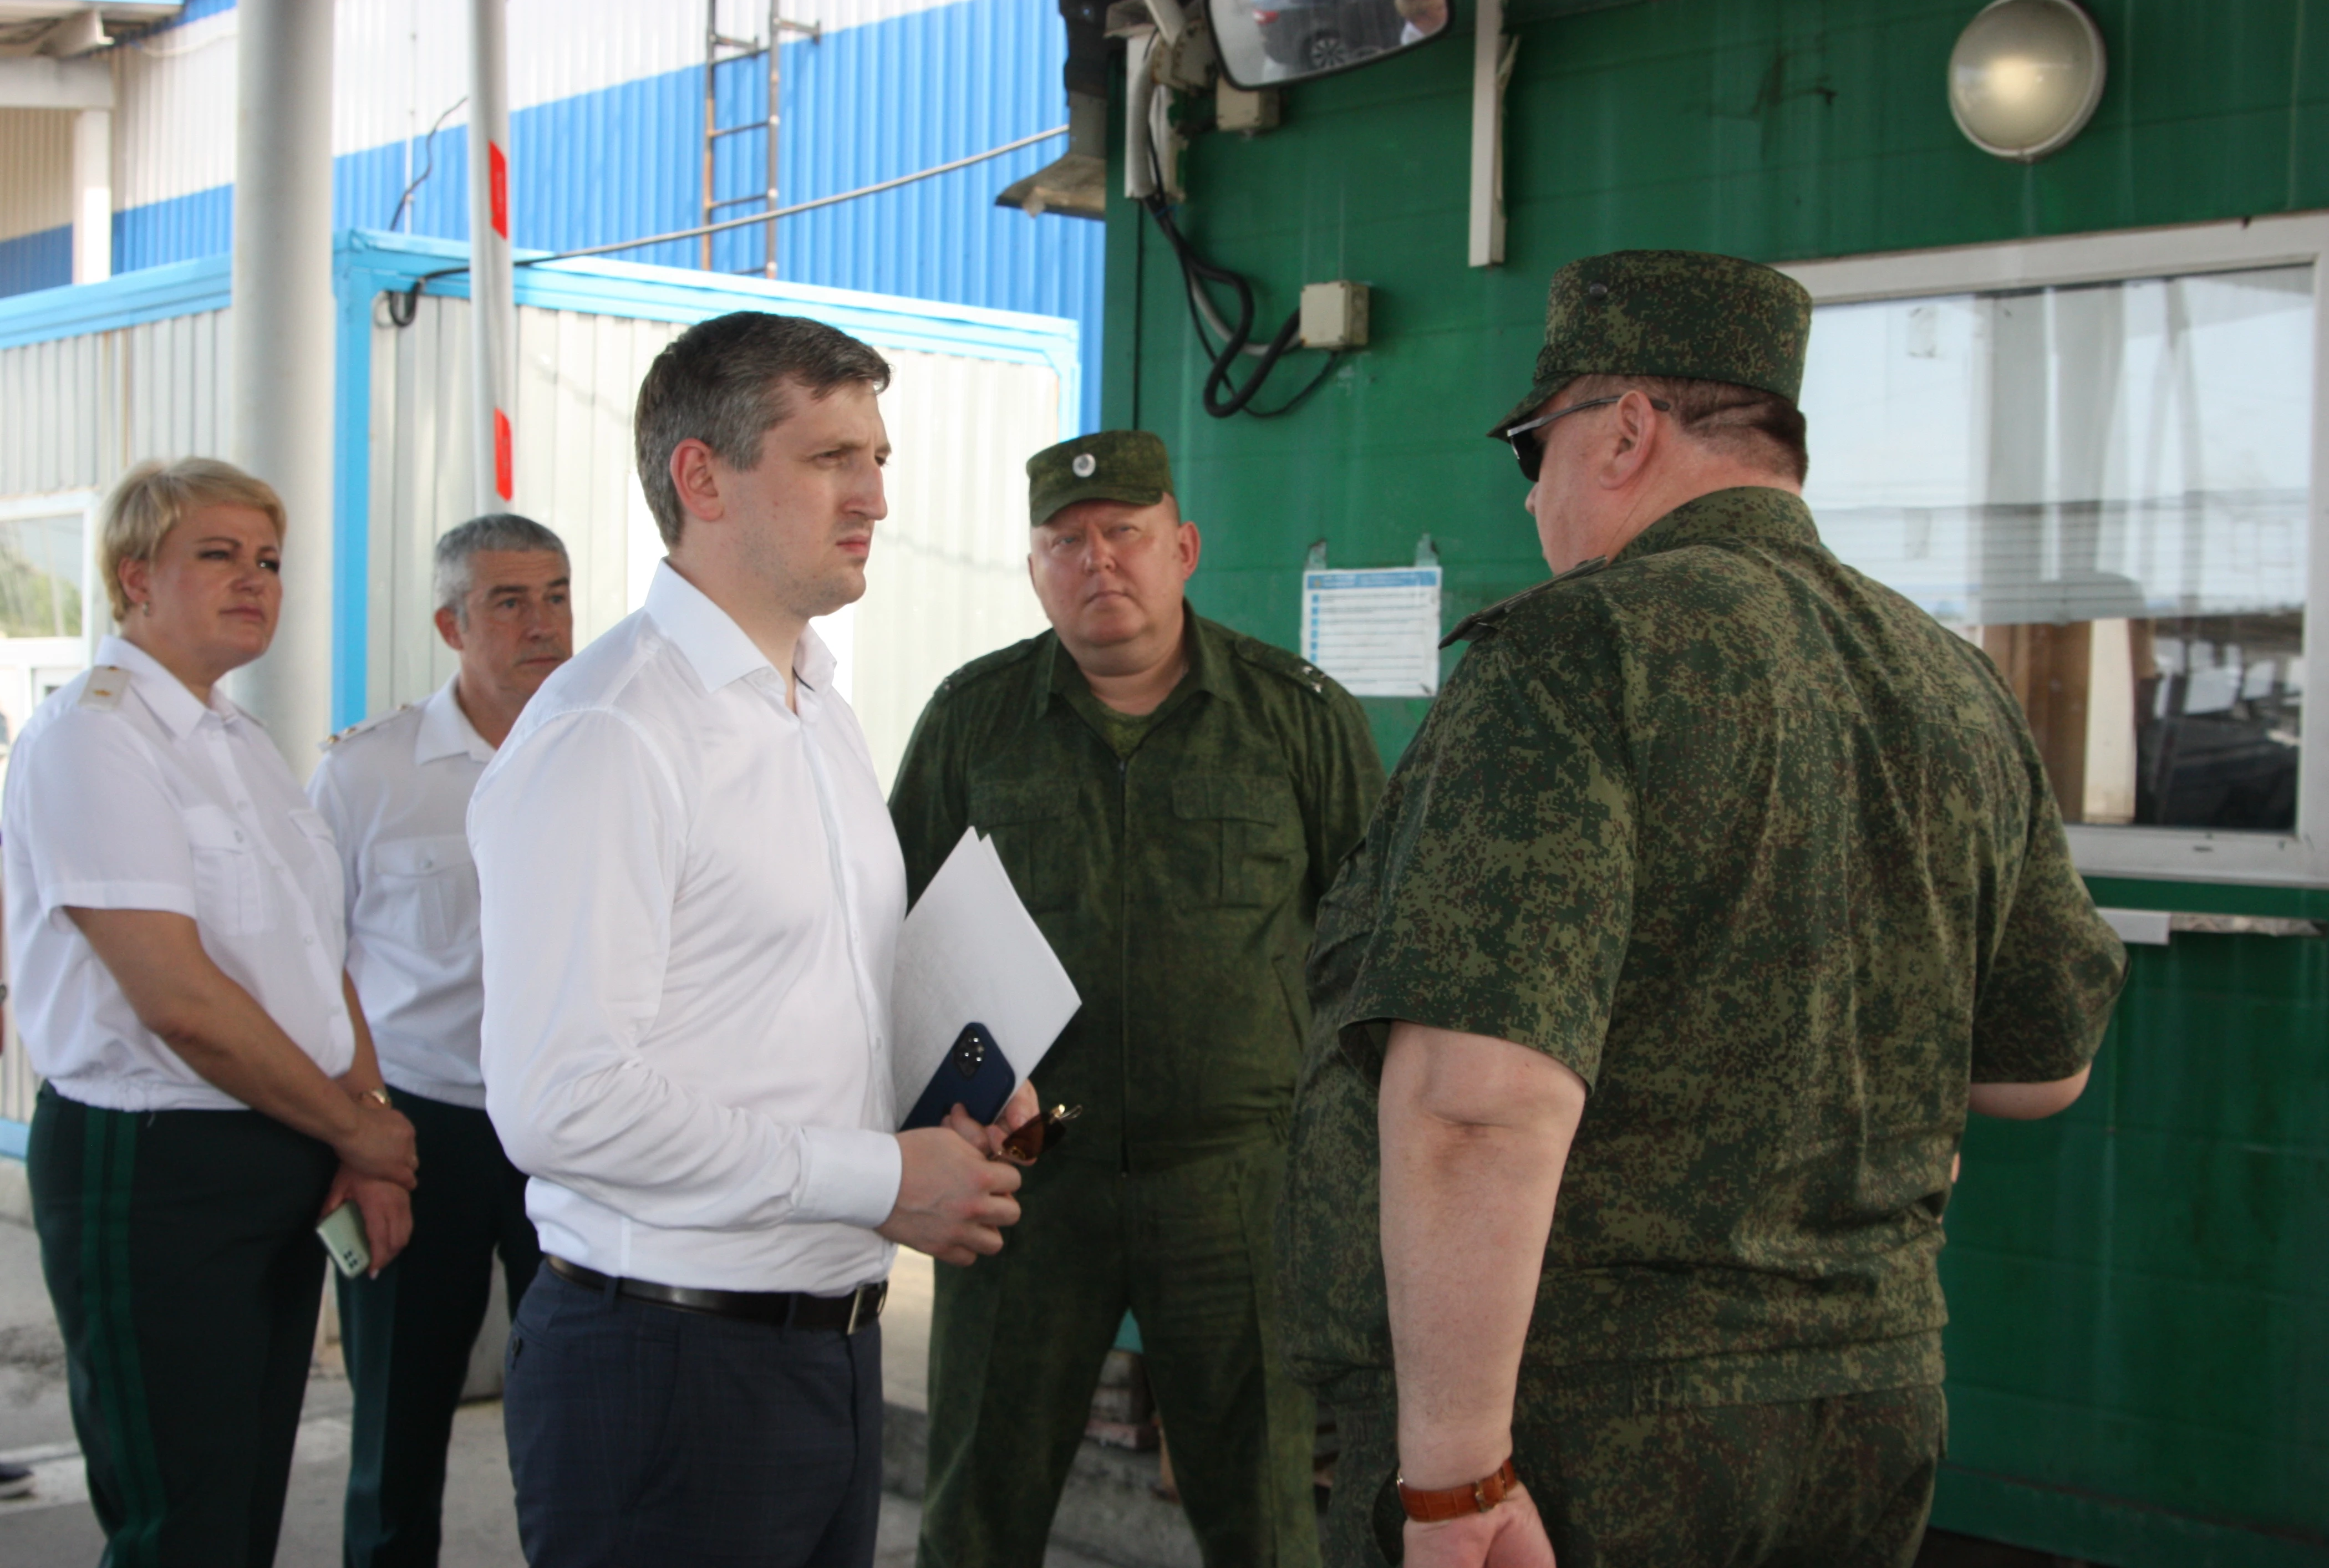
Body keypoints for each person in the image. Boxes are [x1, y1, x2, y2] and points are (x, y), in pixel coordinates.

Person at [1275, 251, 2132, 1568]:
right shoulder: (1951, 680)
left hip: (1590, 1430)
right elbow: (2043, 1064)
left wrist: (1453, 1479)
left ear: (1623, 427)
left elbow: (1473, 1101)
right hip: (1866, 1403)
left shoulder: (1578, 652)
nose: (1533, 488)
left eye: (1530, 444)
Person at [471, 311, 1031, 1567]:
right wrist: (884, 1178)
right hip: (665, 1363)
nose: (877, 496)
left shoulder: (812, 703)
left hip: (820, 1351)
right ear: (703, 477)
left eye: (878, 457)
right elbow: (562, 1101)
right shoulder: (613, 734)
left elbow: (808, 995)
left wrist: (968, 1079)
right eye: (833, 456)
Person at [889, 429, 1385, 1568]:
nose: (1097, 560)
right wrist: (945, 1103)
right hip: (1023, 1184)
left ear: (1184, 547)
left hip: (1237, 1186)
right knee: (977, 1505)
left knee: (1262, 1509)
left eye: (1126, 533)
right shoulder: (976, 719)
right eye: (1066, 540)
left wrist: (1350, 1165)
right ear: (1032, 567)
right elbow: (897, 932)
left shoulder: (1296, 716)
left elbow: (1374, 950)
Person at [2, 456, 419, 1564]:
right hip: (155, 1170)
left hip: (276, 1142)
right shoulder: (95, 737)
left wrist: (362, 1115)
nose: (257, 580)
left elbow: (314, 959)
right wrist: (356, 1126)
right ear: (134, 577)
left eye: (271, 560)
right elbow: (179, 1001)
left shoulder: (235, 742)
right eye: (219, 555)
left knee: (238, 1506)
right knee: (178, 1519)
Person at [308, 514, 573, 1566]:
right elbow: (311, 965)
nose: (542, 622)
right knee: (399, 1426)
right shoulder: (369, 775)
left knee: (573, 1411)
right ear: (448, 622)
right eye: (508, 601)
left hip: (564, 1122)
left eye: (556, 594)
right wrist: (357, 1136)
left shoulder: (599, 746)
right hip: (419, 1130)